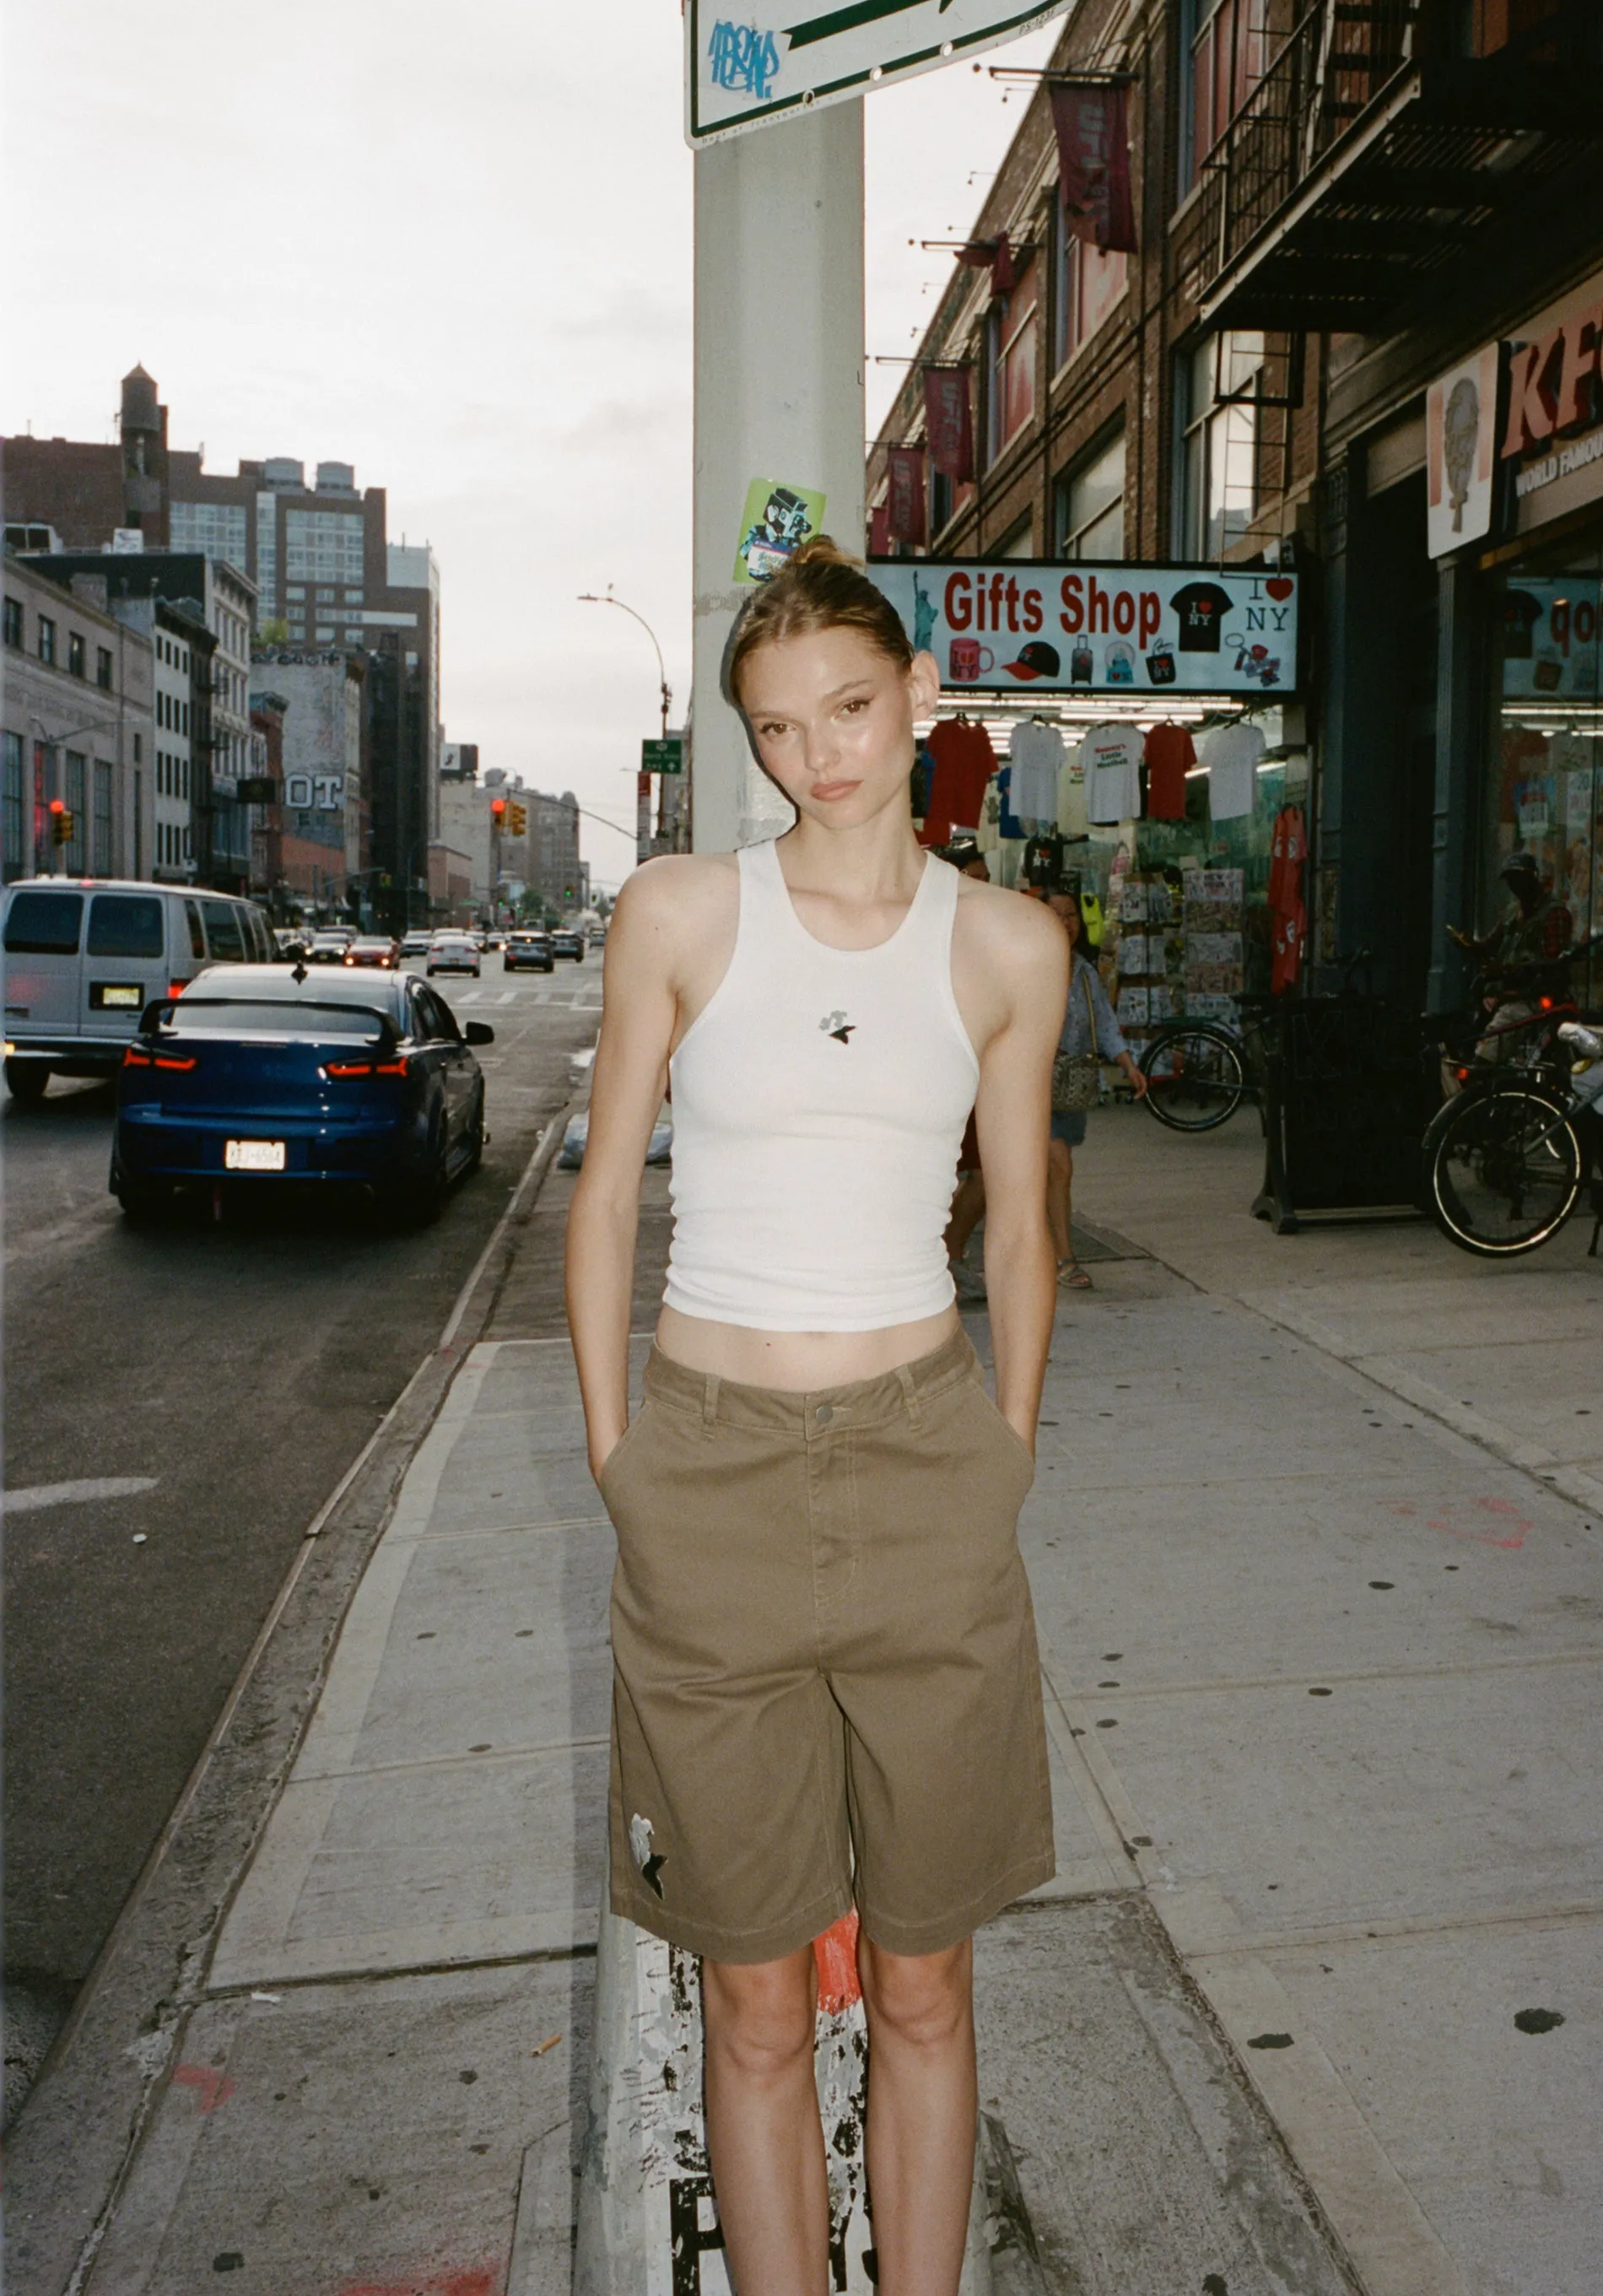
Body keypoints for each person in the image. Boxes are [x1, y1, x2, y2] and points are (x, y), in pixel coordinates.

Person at [564, 538, 1066, 2296]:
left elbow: (1015, 1219)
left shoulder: (1005, 944)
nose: (818, 756)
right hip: (707, 1472)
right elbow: (606, 1196)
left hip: (928, 1466)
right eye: (776, 730)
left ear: (916, 693)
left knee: (926, 1977)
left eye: (848, 709)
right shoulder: (682, 917)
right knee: (752, 1989)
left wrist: (999, 1454)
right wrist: (624, 1464)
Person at [1043, 887, 1147, 1289]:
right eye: (1057, 914)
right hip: (1031, 1083)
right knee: (1059, 1168)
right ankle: (1065, 1258)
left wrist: (1127, 1064)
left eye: (1071, 915)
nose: (1066, 923)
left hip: (1069, 1084)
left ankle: (1049, 1251)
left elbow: (1103, 1021)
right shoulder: (1027, 964)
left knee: (1053, 1173)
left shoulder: (1083, 971)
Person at [1448, 850, 1573, 1061]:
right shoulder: (1511, 913)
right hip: (1504, 992)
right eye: (1510, 880)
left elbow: (1551, 965)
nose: (1514, 886)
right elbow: (1489, 945)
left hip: (1532, 997)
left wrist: (1506, 972)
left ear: (1533, 877)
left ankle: (1483, 1070)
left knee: (1493, 1043)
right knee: (1457, 1030)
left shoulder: (1554, 913)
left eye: (1519, 879)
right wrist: (1468, 945)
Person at [934, 839, 991, 1293]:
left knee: (988, 1171)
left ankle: (949, 1253)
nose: (983, 890)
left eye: (986, 880)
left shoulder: (990, 932)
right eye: (973, 879)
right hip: (932, 1073)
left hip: (976, 1072)